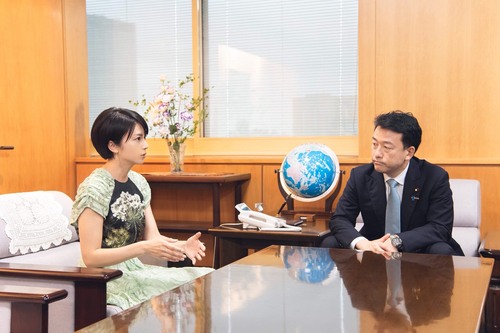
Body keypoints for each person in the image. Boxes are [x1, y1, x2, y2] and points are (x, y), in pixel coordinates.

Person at [70, 107, 213, 310]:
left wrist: (182, 246)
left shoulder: (139, 182)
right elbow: (90, 257)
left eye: (144, 138)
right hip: (101, 278)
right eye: (137, 139)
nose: (145, 145)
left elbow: (152, 238)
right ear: (113, 145)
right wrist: (143, 248)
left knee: (205, 276)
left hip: (132, 269)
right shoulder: (94, 189)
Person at [321, 110, 464, 256]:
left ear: (408, 152)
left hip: (417, 250)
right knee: (330, 242)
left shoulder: (434, 177)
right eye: (374, 144)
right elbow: (340, 219)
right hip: (373, 248)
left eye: (386, 147)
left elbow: (440, 227)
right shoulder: (361, 176)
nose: (377, 153)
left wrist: (397, 241)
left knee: (441, 249)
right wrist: (363, 243)